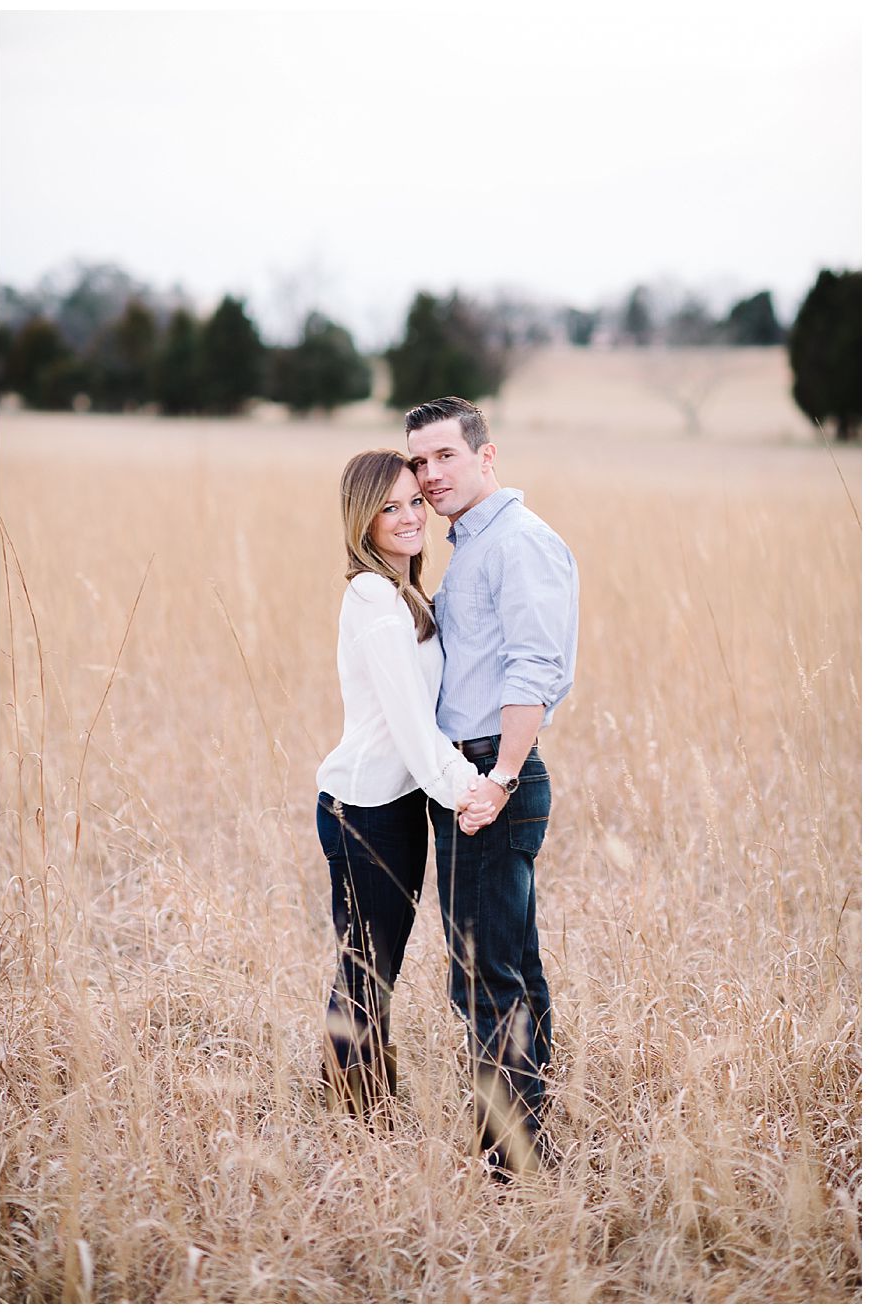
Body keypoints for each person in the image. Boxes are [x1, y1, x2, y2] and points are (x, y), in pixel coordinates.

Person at [404, 395, 578, 1177]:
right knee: (509, 962)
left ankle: (513, 1158)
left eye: (445, 456)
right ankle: (527, 1134)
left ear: (486, 456)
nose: (430, 474)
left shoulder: (519, 542)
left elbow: (534, 668)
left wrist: (499, 778)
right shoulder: (471, 543)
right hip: (473, 772)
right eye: (418, 461)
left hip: (491, 775)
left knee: (482, 972)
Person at [313, 449, 491, 1118]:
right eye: (389, 507)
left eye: (415, 500)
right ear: (364, 520)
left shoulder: (402, 593)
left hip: (397, 806)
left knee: (375, 962)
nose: (410, 515)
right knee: (367, 965)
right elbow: (413, 726)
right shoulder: (371, 595)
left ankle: (362, 1104)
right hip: (363, 810)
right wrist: (468, 789)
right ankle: (352, 1116)